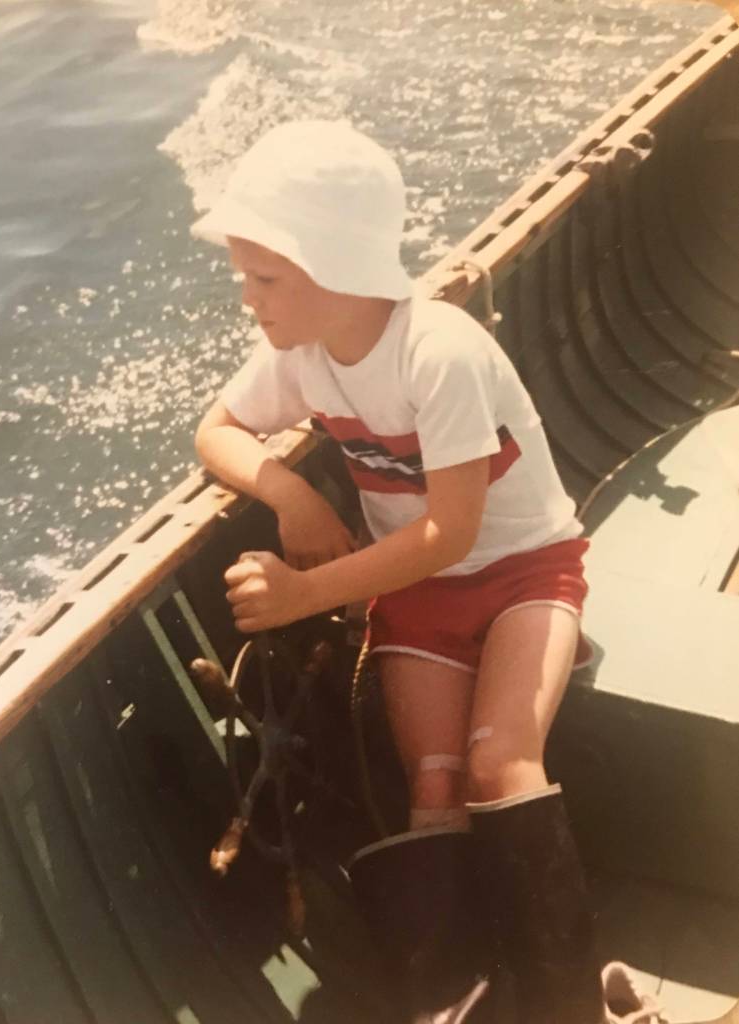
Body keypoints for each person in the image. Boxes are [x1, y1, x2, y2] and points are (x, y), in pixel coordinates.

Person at [192, 119, 662, 1024]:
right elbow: (215, 431)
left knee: (498, 761)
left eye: (263, 277)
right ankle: (460, 999)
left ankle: (569, 1003)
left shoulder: (437, 350)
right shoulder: (303, 350)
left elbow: (451, 533)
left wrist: (299, 596)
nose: (246, 297)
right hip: (419, 598)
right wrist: (290, 493)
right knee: (436, 785)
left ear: (328, 265)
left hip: (526, 572)